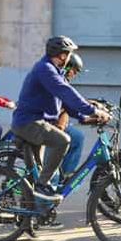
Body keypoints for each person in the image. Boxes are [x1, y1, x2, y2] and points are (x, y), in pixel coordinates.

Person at [11, 36, 110, 203]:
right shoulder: (45, 69)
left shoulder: (54, 70)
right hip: (29, 122)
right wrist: (93, 110)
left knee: (36, 172)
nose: (69, 58)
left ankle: (30, 216)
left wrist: (86, 117)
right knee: (63, 140)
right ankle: (43, 185)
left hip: (36, 123)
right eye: (68, 54)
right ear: (62, 55)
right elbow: (65, 92)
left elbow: (65, 101)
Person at [50, 52, 87, 183]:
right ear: (67, 67)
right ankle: (50, 187)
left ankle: (65, 174)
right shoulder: (57, 80)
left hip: (55, 123)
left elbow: (69, 103)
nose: (75, 74)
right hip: (44, 124)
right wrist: (89, 112)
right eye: (74, 71)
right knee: (59, 144)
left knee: (77, 137)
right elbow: (68, 103)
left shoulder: (64, 81)